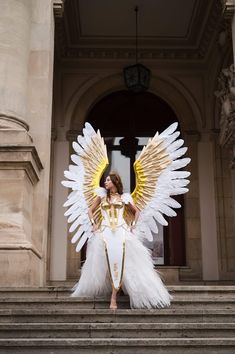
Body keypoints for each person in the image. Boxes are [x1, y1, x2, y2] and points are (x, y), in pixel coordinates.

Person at [62, 122, 191, 309]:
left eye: (108, 179)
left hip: (121, 232)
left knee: (120, 260)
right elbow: (90, 210)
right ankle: (114, 289)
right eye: (105, 179)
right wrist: (94, 224)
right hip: (104, 232)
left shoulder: (125, 197)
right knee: (107, 261)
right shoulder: (100, 196)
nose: (105, 181)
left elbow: (137, 211)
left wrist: (132, 226)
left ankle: (114, 297)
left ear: (115, 182)